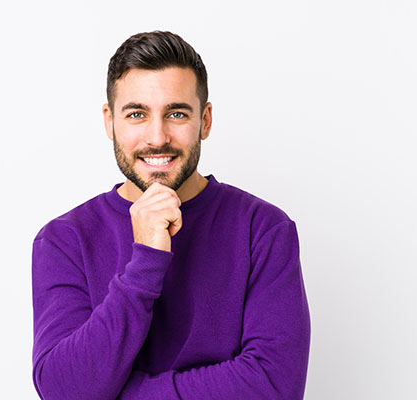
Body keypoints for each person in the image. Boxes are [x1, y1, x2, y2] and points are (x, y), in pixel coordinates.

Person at [31, 30, 311, 399]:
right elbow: (62, 389)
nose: (157, 137)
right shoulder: (64, 240)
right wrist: (145, 263)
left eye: (176, 113)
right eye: (136, 114)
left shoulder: (263, 229)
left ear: (205, 121)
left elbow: (274, 386)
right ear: (109, 121)